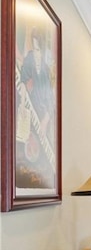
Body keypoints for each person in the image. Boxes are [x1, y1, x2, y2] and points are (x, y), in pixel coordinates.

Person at [16, 26, 56, 189]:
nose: (36, 48)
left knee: (43, 133)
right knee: (33, 133)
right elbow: (24, 80)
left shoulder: (46, 67)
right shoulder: (30, 58)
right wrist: (23, 102)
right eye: (34, 44)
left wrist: (47, 116)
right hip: (33, 101)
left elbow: (48, 94)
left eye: (38, 44)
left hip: (43, 104)